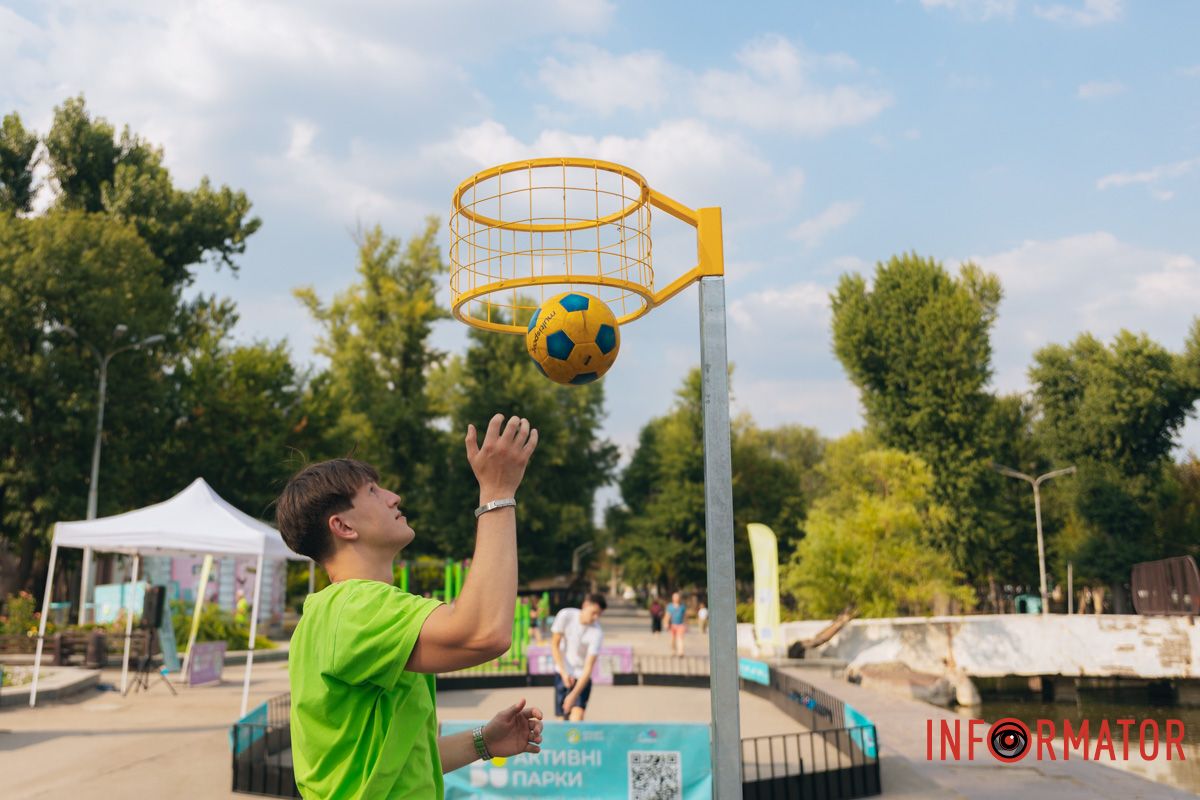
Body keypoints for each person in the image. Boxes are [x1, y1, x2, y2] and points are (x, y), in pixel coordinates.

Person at [276, 414, 544, 799]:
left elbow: (399, 763)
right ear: (343, 527)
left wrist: (484, 741)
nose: (393, 497)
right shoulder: (355, 608)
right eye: (372, 492)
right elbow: (484, 633)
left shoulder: (338, 613)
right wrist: (497, 492)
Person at [549, 593, 607, 721]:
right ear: (585, 605)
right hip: (562, 673)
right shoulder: (565, 615)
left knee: (577, 719)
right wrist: (564, 673)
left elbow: (588, 668)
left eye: (599, 615)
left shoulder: (597, 633)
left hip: (581, 678)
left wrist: (573, 695)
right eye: (594, 613)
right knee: (561, 721)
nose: (595, 617)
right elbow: (554, 645)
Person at [665, 591, 687, 657]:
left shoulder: (682, 606)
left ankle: (681, 652)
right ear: (672, 598)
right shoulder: (670, 606)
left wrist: (686, 624)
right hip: (672, 625)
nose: (676, 598)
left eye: (677, 597)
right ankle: (673, 651)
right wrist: (666, 623)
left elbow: (685, 616)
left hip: (680, 624)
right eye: (675, 597)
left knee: (680, 638)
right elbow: (667, 615)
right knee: (673, 639)